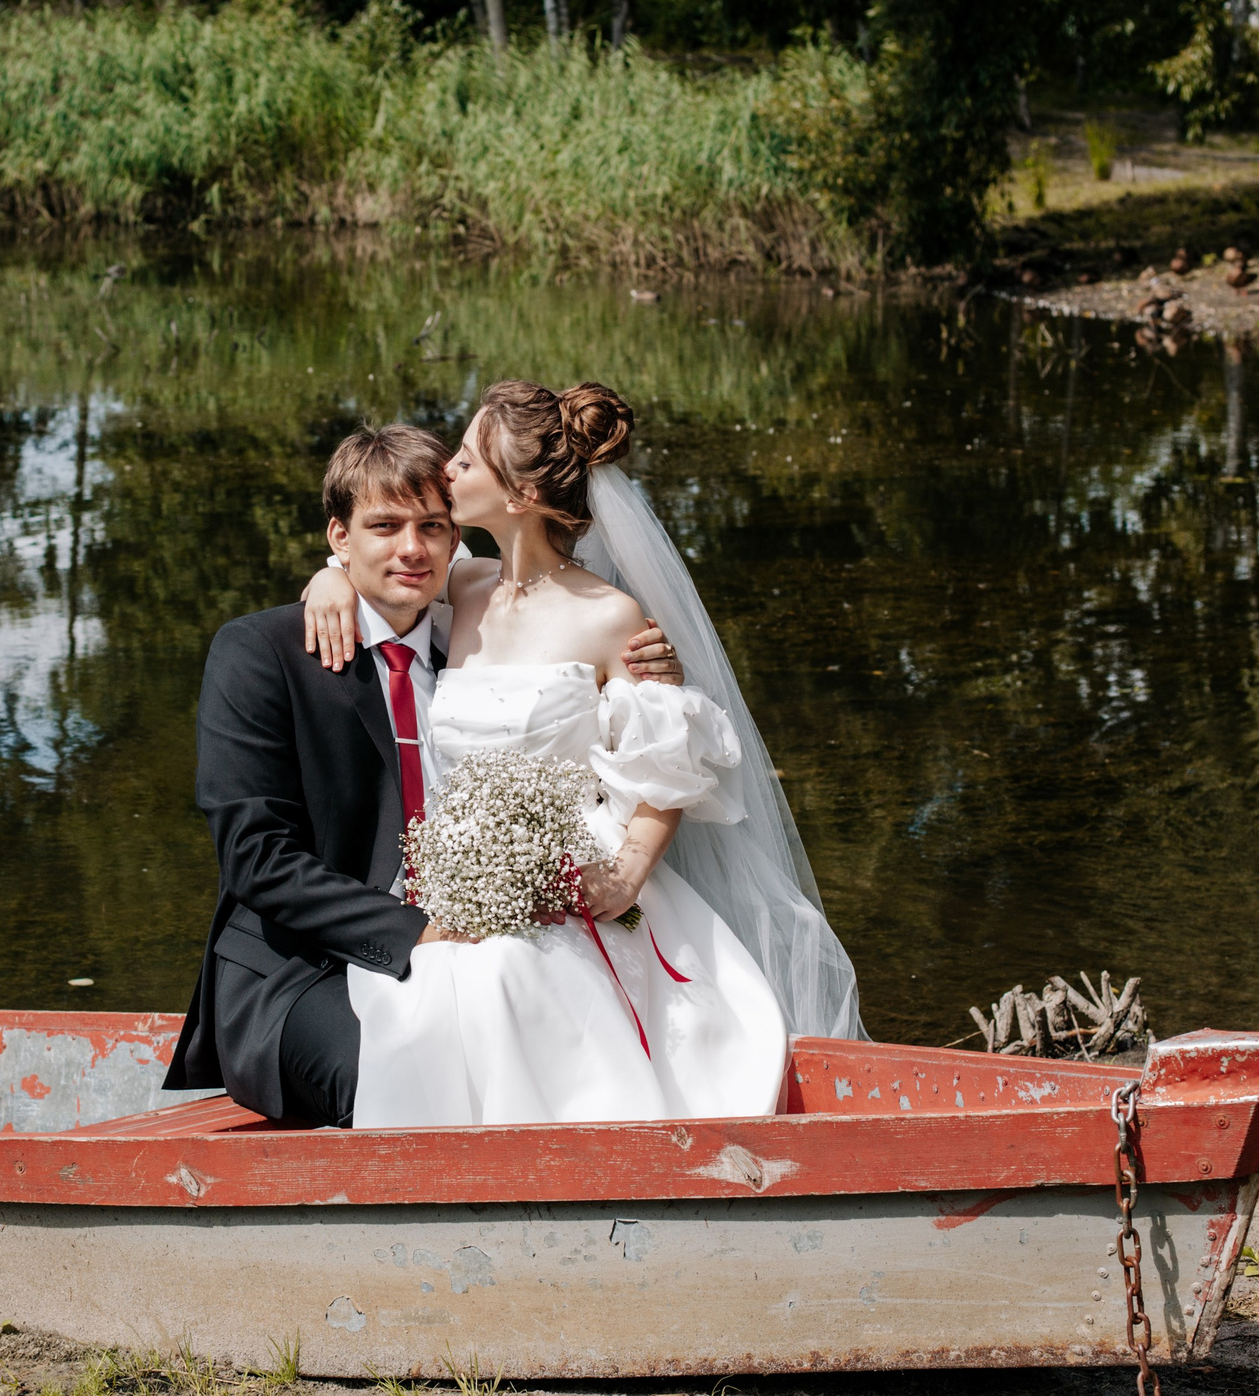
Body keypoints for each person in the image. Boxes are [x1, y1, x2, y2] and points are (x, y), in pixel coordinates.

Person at [301, 381, 866, 1127]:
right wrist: (330, 576)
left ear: (522, 492)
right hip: (456, 871)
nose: (448, 473)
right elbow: (380, 578)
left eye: (466, 460)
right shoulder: (460, 585)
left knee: (506, 974)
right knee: (421, 986)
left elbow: (665, 765)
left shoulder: (611, 617)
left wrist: (629, 870)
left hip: (574, 866)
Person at [160, 423, 687, 1126]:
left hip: (482, 940)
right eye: (384, 526)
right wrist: (419, 930)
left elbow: (592, 704)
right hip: (302, 968)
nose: (412, 548)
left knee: (560, 1043)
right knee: (405, 1079)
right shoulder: (260, 654)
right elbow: (257, 860)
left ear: (454, 539)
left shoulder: (475, 639)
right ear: (339, 537)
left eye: (432, 526)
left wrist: (654, 678)